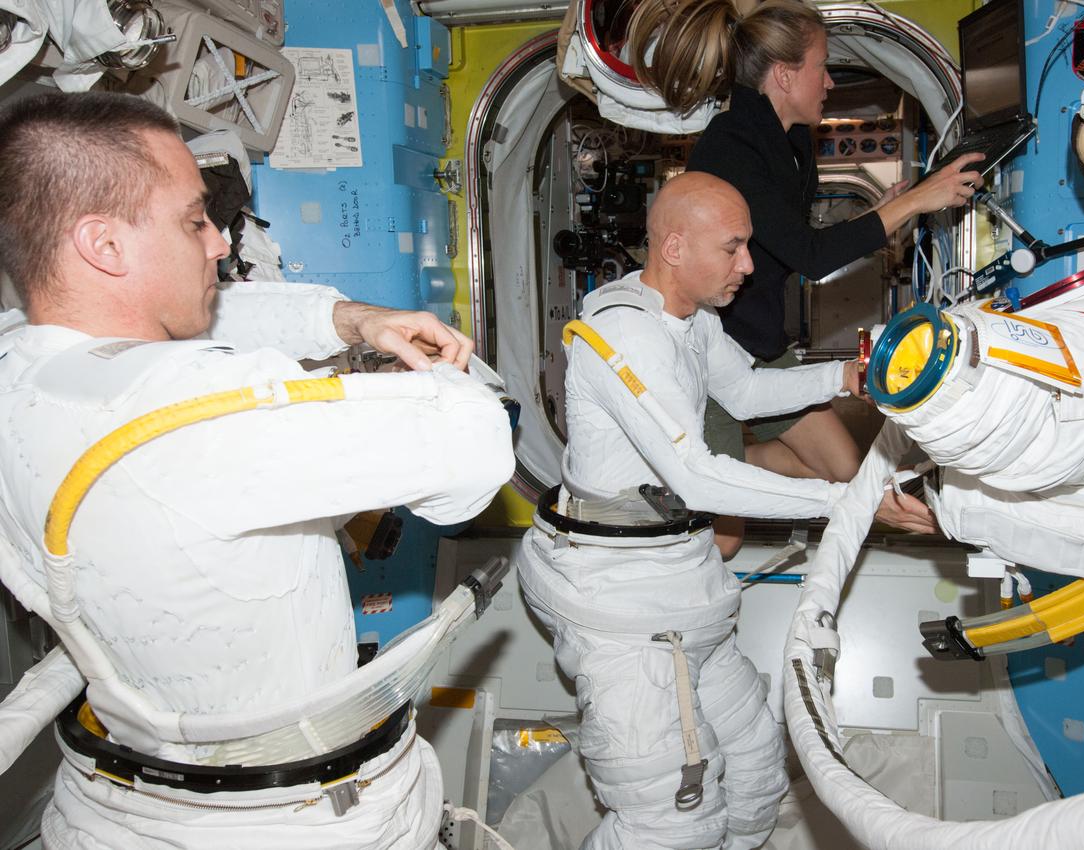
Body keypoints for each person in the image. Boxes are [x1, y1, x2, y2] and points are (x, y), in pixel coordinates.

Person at [0, 91, 515, 848]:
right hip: (289, 824)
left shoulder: (22, 360)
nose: (217, 243)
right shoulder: (203, 411)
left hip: (118, 811)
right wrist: (437, 378)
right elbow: (478, 446)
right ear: (104, 246)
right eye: (192, 220)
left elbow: (182, 316)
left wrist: (347, 319)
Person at [518, 171, 898, 849]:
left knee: (755, 768)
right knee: (668, 824)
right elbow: (696, 476)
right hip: (616, 600)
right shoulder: (624, 336)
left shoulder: (688, 319)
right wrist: (844, 501)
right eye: (733, 248)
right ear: (673, 249)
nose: (749, 266)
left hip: (677, 581)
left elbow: (746, 391)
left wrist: (845, 377)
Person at [628, 0, 979, 549]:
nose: (830, 81)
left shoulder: (792, 143)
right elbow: (812, 256)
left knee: (844, 468)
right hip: (713, 346)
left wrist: (879, 210)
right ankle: (675, 469)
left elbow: (789, 244)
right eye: (821, 65)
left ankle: (720, 462)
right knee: (723, 542)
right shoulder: (732, 144)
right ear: (785, 74)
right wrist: (915, 205)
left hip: (759, 341)